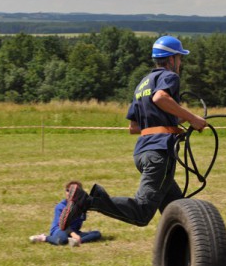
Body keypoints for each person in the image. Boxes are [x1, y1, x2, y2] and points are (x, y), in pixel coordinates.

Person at [59, 35, 207, 230]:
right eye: (180, 58)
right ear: (171, 59)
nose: (180, 63)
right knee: (142, 213)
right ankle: (87, 201)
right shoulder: (169, 76)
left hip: (143, 152)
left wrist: (175, 123)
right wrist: (192, 118)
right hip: (159, 153)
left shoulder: (143, 83)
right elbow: (160, 98)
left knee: (176, 207)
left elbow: (134, 127)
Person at [29, 181, 101, 246]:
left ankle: (75, 241)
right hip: (60, 230)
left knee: (96, 234)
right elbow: (63, 225)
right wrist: (73, 234)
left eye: (74, 191)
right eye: (67, 190)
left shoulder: (82, 206)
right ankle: (44, 238)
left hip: (74, 231)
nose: (69, 193)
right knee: (63, 240)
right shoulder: (60, 206)